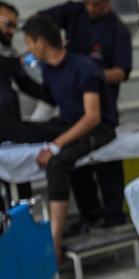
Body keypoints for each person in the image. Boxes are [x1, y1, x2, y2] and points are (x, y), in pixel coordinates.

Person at [0, 14, 116, 261]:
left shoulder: (84, 67)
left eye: (29, 43)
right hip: (68, 123)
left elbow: (93, 117)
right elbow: (50, 97)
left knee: (58, 162)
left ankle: (53, 244)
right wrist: (16, 71)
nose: (28, 49)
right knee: (16, 127)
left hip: (97, 129)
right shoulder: (50, 70)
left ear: (41, 42)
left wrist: (55, 146)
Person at [41, 0, 132, 230]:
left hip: (102, 110)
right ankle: (89, 215)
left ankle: (113, 214)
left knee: (107, 161)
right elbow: (39, 23)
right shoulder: (74, 12)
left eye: (98, 4)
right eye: (88, 3)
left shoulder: (117, 30)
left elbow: (121, 72)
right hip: (72, 111)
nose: (91, 8)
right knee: (76, 162)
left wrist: (89, 74)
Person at [0, 1, 50, 208]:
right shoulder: (10, 59)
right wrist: (18, 62)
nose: (12, 30)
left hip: (11, 130)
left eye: (14, 26)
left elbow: (26, 83)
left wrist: (56, 94)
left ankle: (26, 228)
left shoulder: (9, 52)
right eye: (7, 24)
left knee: (21, 183)